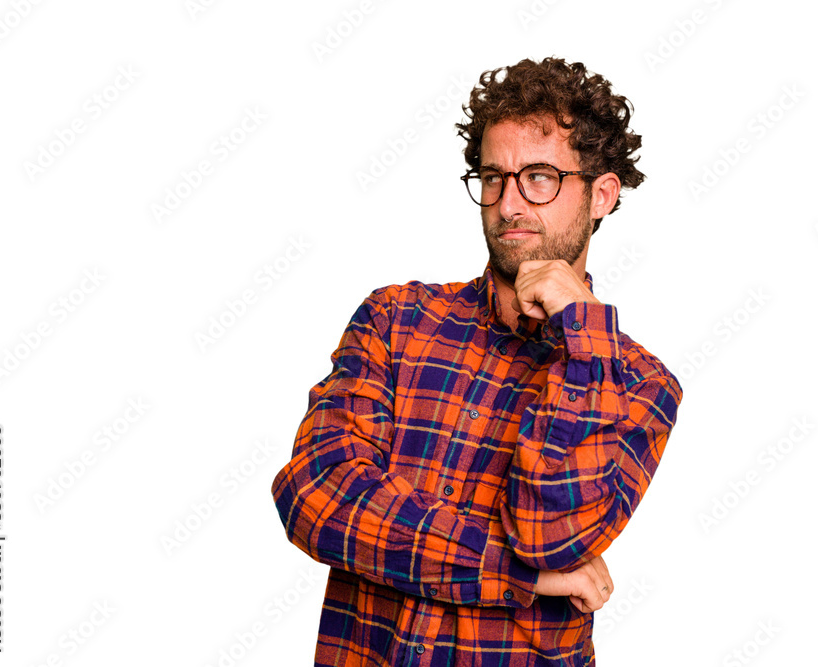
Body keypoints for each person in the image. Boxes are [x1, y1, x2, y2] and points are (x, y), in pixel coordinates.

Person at [270, 56, 683, 667]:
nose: (509, 203)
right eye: (493, 177)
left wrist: (583, 336)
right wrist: (518, 577)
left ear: (601, 194)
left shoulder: (638, 384)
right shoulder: (396, 319)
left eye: (538, 177)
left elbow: (549, 537)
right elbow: (316, 498)